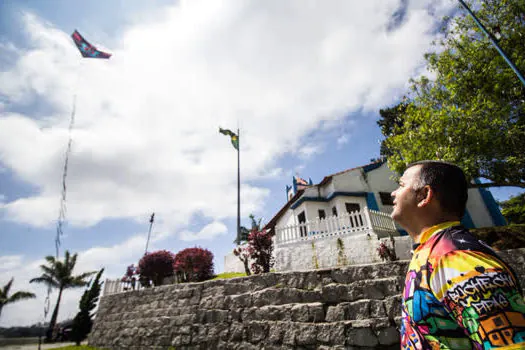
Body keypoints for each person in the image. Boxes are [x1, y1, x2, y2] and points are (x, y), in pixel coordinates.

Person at [391, 160, 525, 349]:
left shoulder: (456, 259)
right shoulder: (432, 251)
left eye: (401, 185)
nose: (393, 193)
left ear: (424, 195)